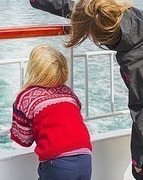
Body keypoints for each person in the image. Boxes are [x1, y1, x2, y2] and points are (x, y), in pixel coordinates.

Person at [8, 0, 143, 180]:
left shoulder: (138, 58)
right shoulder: (115, 16)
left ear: (100, 37)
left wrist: (138, 158)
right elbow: (79, 11)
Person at [10, 44, 93, 180]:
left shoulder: (26, 97)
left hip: (57, 163)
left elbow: (23, 140)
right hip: (85, 157)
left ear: (33, 71)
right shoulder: (68, 93)